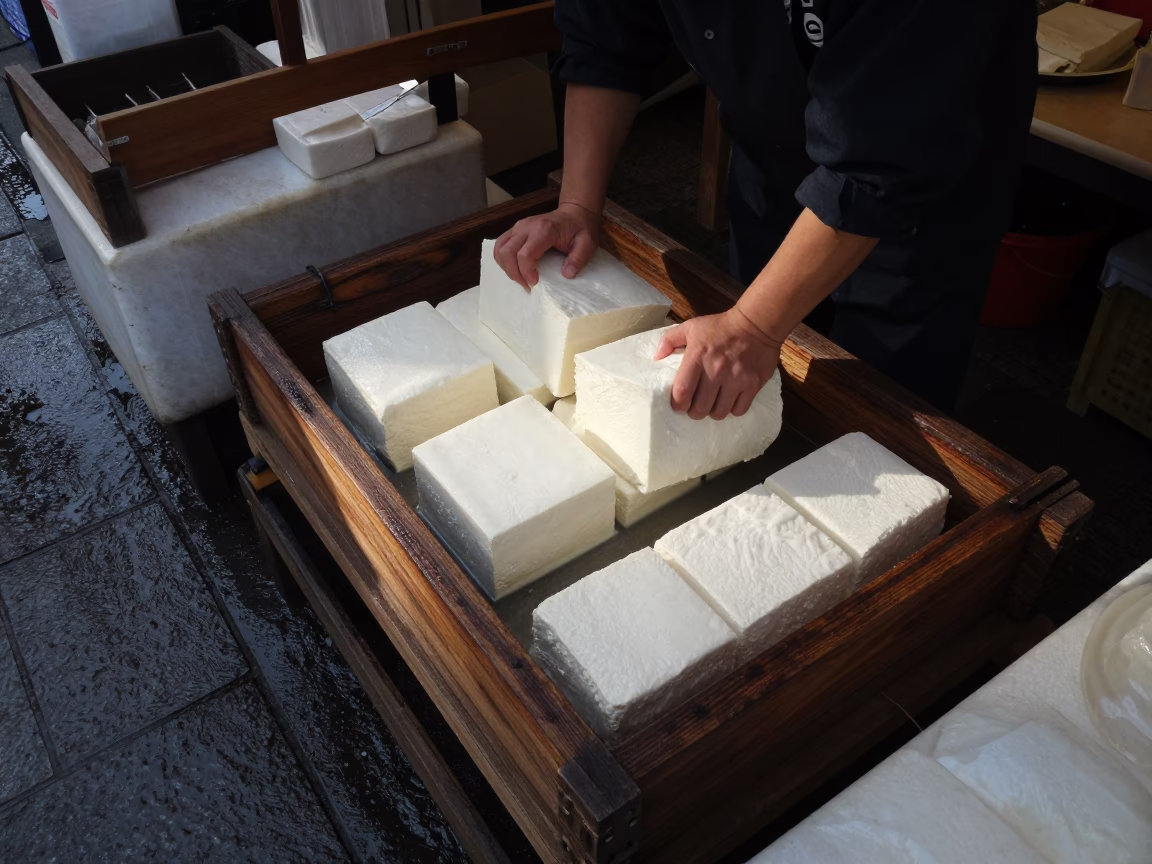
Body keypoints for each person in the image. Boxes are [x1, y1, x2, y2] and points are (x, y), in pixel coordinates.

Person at [494, 0, 1038, 417]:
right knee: (750, 372)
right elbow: (604, 42)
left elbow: (882, 160)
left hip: (923, 184)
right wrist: (577, 204)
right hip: (775, 152)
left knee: (883, 404)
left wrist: (752, 327)